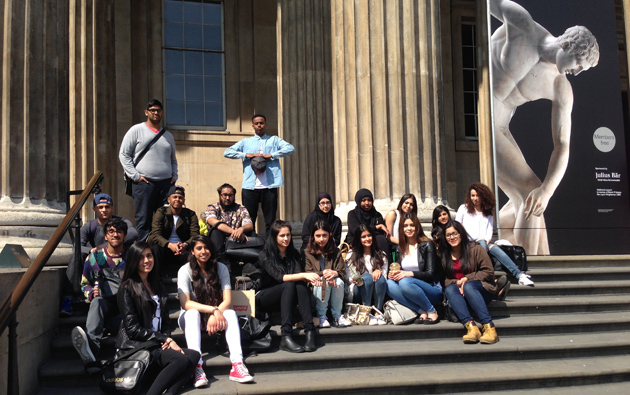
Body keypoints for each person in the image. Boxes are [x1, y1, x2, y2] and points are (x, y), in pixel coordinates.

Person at [490, 0, 600, 254]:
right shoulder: (523, 26)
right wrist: (540, 192)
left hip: (501, 127)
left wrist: (547, 192)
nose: (579, 72)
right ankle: (535, 269)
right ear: (570, 46)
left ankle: (534, 260)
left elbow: (562, 146)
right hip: (479, 119)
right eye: (580, 64)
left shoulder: (560, 86)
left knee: (531, 200)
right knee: (530, 191)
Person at [116, 241, 199, 395]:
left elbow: (166, 321)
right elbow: (132, 329)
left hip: (157, 343)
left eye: (149, 256)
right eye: (141, 257)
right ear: (134, 260)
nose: (146, 260)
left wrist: (165, 338)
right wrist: (164, 339)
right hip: (140, 345)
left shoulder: (157, 285)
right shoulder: (127, 287)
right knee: (180, 360)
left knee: (194, 356)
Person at [177, 235, 254, 387]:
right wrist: (213, 310)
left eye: (206, 248)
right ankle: (197, 367)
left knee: (231, 313)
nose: (203, 251)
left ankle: (237, 365)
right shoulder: (184, 270)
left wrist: (215, 312)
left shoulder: (221, 268)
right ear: (192, 251)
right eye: (199, 248)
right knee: (192, 313)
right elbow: (186, 303)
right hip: (192, 317)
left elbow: (228, 300)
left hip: (217, 315)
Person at [224, 114, 295, 234]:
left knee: (270, 220)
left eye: (261, 123)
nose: (259, 125)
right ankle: (252, 246)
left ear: (266, 124)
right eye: (256, 123)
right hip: (250, 187)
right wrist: (247, 155)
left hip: (269, 186)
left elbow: (290, 148)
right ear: (253, 126)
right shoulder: (246, 142)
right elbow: (227, 152)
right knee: (249, 220)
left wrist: (271, 155)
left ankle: (269, 249)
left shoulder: (274, 140)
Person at [255, 220, 319, 353]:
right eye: (282, 235)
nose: (286, 239)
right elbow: (279, 277)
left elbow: (296, 276)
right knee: (291, 283)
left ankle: (309, 331)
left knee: (300, 285)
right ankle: (286, 335)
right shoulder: (264, 255)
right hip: (266, 297)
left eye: (288, 235)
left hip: (287, 297)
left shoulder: (294, 254)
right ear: (274, 237)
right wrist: (305, 275)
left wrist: (303, 276)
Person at [71, 218, 128, 366]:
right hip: (105, 307)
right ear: (106, 236)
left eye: (119, 232)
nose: (115, 235)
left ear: (125, 235)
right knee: (97, 302)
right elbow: (84, 284)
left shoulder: (132, 257)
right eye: (111, 232)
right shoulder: (94, 257)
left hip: (126, 309)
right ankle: (90, 348)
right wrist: (91, 292)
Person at [119, 99, 178, 241]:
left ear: (162, 113)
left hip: (165, 185)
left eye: (158, 110)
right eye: (153, 110)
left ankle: (162, 249)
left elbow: (173, 159)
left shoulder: (168, 135)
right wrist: (135, 176)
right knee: (143, 220)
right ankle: (143, 250)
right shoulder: (136, 130)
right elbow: (124, 154)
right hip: (144, 183)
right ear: (146, 112)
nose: (156, 113)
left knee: (165, 219)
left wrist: (174, 175)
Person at [455, 183, 534, 286]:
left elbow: (490, 230)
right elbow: (457, 225)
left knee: (495, 248)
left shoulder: (487, 212)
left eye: (477, 195)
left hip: (483, 241)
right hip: (468, 242)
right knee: (484, 244)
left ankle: (519, 275)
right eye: (472, 195)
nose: (475, 198)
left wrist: (487, 240)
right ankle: (488, 276)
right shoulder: (464, 208)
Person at [439, 221, 500, 344]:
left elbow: (488, 272)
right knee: (450, 289)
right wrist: (458, 283)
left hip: (480, 289)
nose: (452, 237)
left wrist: (467, 278)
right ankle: (471, 327)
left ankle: (489, 327)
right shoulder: (443, 254)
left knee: (469, 286)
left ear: (461, 233)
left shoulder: (475, 248)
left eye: (454, 233)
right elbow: (443, 279)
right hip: (458, 293)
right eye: (448, 235)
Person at [387, 213, 442, 325]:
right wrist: (393, 275)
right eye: (405, 226)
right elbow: (400, 273)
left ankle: (432, 311)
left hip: (431, 288)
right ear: (401, 229)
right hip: (409, 289)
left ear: (417, 227)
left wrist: (409, 273)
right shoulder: (399, 248)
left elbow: (431, 274)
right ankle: (421, 310)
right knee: (388, 283)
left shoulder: (427, 245)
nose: (409, 228)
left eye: (412, 225)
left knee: (405, 281)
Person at [303, 220, 351, 328]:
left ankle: (337, 315)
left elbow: (342, 272)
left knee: (338, 282)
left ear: (330, 235)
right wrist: (324, 274)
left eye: (324, 235)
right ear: (313, 236)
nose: (321, 239)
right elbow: (308, 272)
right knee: (321, 281)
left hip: (333, 289)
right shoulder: (307, 252)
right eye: (318, 236)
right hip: (315, 289)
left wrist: (334, 273)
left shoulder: (336, 251)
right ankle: (321, 316)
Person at [147, 185, 200, 268]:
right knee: (156, 249)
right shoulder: (161, 212)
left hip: (183, 249)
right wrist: (170, 245)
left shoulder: (190, 214)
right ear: (169, 200)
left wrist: (185, 244)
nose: (177, 200)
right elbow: (156, 234)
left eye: (180, 197)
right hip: (164, 247)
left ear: (183, 201)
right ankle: (156, 279)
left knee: (194, 253)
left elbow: (195, 235)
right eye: (174, 197)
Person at [345, 224, 388, 324]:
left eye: (369, 236)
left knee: (380, 277)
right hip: (358, 292)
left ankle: (377, 313)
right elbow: (348, 278)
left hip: (376, 292)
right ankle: (366, 313)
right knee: (367, 277)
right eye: (363, 237)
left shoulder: (381, 255)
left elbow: (384, 279)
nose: (367, 239)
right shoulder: (351, 254)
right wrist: (357, 279)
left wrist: (379, 271)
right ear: (358, 239)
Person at [204, 183, 254, 254]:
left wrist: (241, 229)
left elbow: (249, 225)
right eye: (225, 195)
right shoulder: (212, 207)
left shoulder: (241, 209)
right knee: (215, 232)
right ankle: (219, 260)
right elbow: (213, 221)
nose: (227, 198)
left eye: (230, 195)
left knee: (252, 233)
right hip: (218, 242)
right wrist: (234, 232)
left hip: (236, 241)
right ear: (220, 195)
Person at [345, 188, 390, 258]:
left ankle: (384, 265)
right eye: (363, 200)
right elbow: (356, 230)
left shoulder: (377, 215)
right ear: (358, 201)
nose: (367, 203)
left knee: (381, 239)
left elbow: (381, 233)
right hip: (356, 241)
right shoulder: (352, 214)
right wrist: (376, 227)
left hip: (373, 240)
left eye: (369, 200)